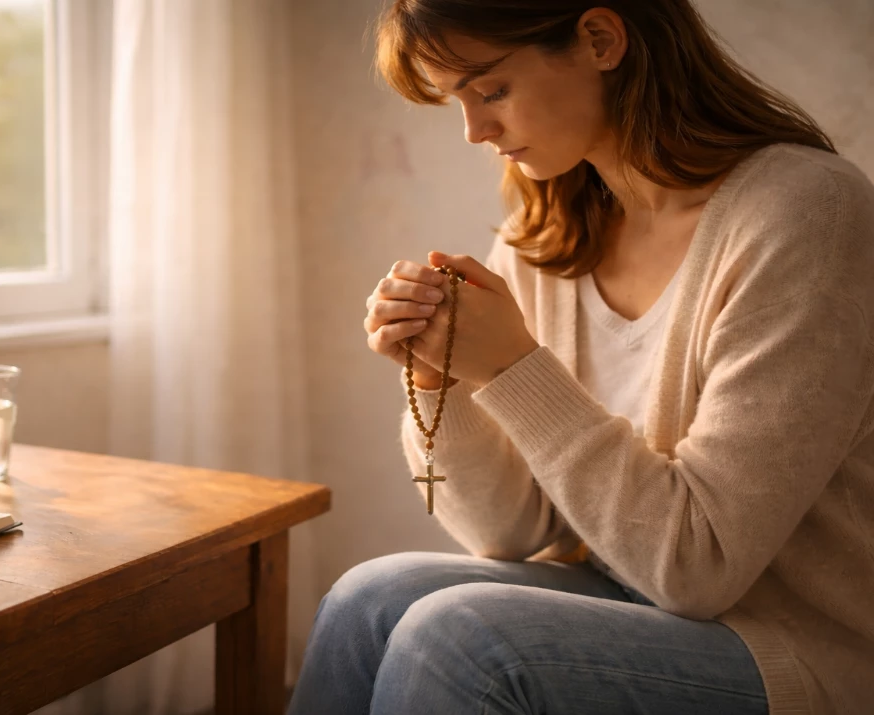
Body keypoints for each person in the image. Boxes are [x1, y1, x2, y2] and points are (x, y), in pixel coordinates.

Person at [287, 1, 874, 713]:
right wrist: (440, 374)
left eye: (491, 90)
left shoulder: (807, 212)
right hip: (626, 594)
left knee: (462, 637)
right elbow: (508, 531)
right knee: (366, 598)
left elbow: (698, 567)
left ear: (599, 39)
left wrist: (514, 370)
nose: (475, 131)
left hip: (797, 647)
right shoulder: (547, 236)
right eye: (457, 102)